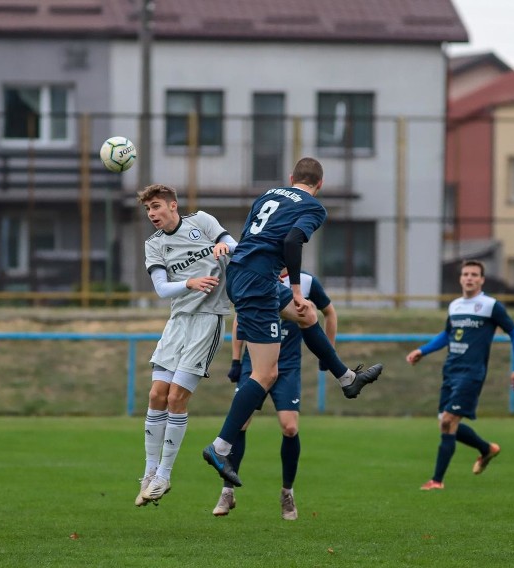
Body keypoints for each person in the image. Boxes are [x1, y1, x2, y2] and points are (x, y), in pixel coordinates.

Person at [202, 157, 383, 487]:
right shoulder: (314, 206)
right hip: (258, 282)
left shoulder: (269, 194)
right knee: (266, 373)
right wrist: (297, 288)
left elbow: (254, 237)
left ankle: (346, 378)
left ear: (290, 178)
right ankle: (219, 447)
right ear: (320, 184)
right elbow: (290, 241)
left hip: (245, 273)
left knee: (307, 315)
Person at [134, 184, 237, 506]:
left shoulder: (201, 222)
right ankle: (149, 473)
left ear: (173, 205)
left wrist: (224, 247)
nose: (152, 214)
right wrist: (190, 282)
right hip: (177, 323)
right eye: (148, 209)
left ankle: (164, 474)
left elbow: (233, 243)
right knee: (156, 395)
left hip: (207, 320)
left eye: (156, 206)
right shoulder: (154, 245)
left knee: (177, 397)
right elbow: (162, 290)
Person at [213, 270, 336, 520]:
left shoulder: (307, 282)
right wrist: (236, 360)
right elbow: (240, 319)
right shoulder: (259, 273)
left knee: (290, 428)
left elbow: (329, 313)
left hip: (288, 365)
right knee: (241, 424)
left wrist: (328, 352)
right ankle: (227, 491)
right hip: (256, 362)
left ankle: (287, 493)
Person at [406, 259, 514, 491]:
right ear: (461, 278)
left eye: (474, 274)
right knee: (444, 422)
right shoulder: (455, 306)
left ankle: (437, 481)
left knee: (448, 421)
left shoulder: (490, 306)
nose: (469, 278)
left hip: (472, 373)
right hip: (451, 370)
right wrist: (423, 350)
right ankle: (486, 449)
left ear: (481, 279)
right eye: (466, 274)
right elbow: (448, 335)